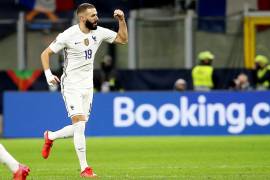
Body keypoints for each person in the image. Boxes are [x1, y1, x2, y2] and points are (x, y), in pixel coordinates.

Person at [40, 3, 128, 178]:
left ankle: (51, 136)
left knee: (79, 126)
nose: (97, 18)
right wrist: (48, 74)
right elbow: (45, 54)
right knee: (79, 125)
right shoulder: (68, 35)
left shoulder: (99, 32)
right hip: (71, 85)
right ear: (82, 18)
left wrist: (122, 20)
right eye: (93, 16)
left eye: (96, 14)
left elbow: (123, 39)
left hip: (88, 86)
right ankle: (84, 168)